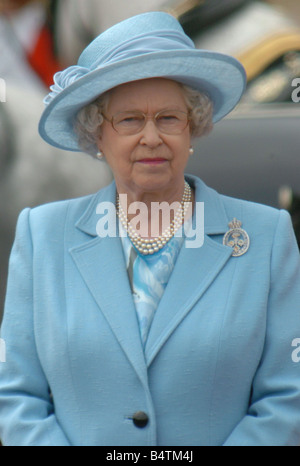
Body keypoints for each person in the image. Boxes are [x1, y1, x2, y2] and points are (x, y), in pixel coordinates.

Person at [0, 11, 300, 447]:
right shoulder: (41, 236)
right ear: (96, 135)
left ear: (193, 126)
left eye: (169, 118)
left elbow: (289, 396)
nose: (152, 137)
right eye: (129, 120)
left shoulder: (266, 237)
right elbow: (14, 394)